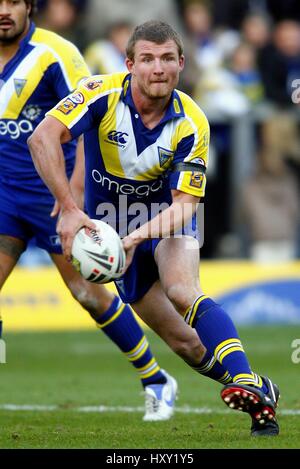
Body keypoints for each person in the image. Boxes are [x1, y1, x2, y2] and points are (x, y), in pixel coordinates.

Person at [29, 20, 280, 437]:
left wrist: (137, 237)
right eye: (146, 59)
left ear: (181, 64)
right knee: (187, 344)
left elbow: (185, 205)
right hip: (109, 225)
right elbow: (43, 138)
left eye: (167, 59)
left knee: (183, 290)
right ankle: (256, 389)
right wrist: (71, 208)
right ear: (129, 64)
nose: (157, 68)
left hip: (166, 220)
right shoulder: (99, 93)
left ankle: (245, 388)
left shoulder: (192, 121)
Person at [0, 0, 183, 422]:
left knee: (88, 293)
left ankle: (155, 378)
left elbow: (93, 119)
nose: (5, 10)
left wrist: (73, 196)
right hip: (4, 196)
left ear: (30, 7)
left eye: (14, 1)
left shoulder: (55, 53)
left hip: (52, 198)